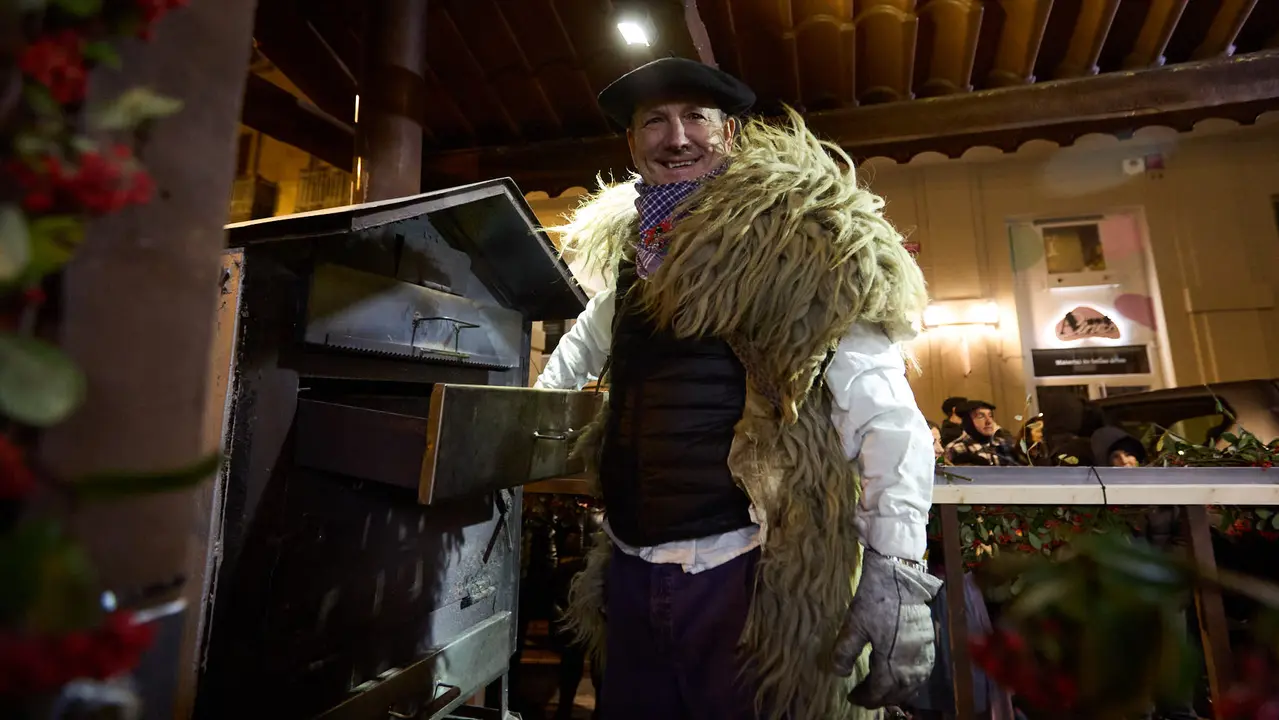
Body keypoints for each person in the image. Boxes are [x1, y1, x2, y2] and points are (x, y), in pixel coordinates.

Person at [535, 57, 941, 720]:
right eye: (654, 123)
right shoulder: (633, 262)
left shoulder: (804, 243)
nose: (675, 137)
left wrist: (895, 572)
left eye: (695, 116)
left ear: (729, 135)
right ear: (631, 145)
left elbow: (883, 412)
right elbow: (562, 374)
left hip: (749, 577)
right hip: (632, 572)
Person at [942, 400, 1022, 467]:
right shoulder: (956, 448)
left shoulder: (1002, 444)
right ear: (968, 422)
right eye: (981, 416)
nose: (989, 421)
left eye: (990, 416)